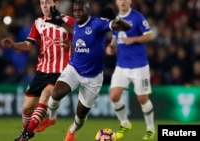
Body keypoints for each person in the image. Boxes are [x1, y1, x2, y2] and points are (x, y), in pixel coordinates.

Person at [44, 0, 131, 141]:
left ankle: (72, 131)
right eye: (75, 10)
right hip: (74, 69)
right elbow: (76, 32)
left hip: (93, 77)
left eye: (81, 10)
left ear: (88, 11)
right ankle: (52, 118)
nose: (77, 13)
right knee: (56, 93)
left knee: (80, 115)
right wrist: (60, 22)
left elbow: (127, 27)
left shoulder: (98, 24)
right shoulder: (76, 24)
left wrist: (115, 18)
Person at [0, 0, 75, 141]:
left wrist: (71, 43)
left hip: (62, 71)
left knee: (45, 96)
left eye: (48, 2)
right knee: (27, 108)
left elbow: (82, 37)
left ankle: (25, 136)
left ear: (56, 4)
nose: (45, 6)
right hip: (42, 71)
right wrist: (14, 45)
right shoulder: (38, 22)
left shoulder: (67, 20)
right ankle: (27, 130)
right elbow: (28, 45)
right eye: (42, 3)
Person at [105, 0, 155, 140]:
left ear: (130, 1)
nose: (122, 2)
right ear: (116, 2)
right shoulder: (115, 19)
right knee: (114, 96)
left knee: (142, 98)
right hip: (121, 65)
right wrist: (111, 47)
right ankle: (125, 123)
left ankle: (150, 129)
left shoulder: (137, 17)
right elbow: (115, 37)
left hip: (139, 66)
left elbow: (150, 35)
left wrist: (133, 39)